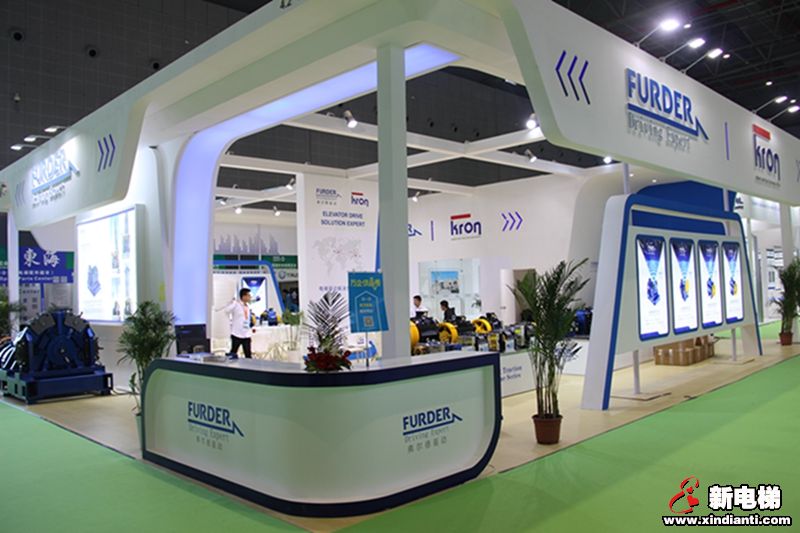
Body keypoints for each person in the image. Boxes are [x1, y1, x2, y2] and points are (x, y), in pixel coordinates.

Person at [217, 288, 255, 358]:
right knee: (233, 352)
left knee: (248, 354)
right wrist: (233, 302)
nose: (250, 297)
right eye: (248, 295)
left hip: (246, 334)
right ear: (244, 296)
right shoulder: (236, 304)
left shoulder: (247, 306)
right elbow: (226, 310)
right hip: (236, 334)